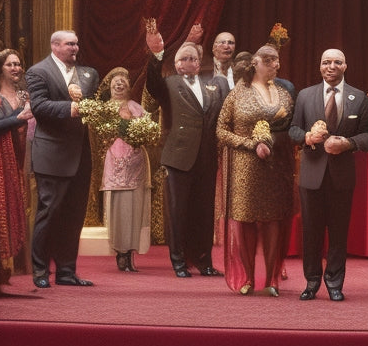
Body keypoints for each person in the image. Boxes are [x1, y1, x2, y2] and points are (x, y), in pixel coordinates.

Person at [289, 48, 368, 301]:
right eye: (326, 62)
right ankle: (311, 282)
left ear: (345, 66)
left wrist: (348, 144)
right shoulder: (305, 96)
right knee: (311, 232)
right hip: (311, 177)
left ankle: (335, 284)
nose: (331, 66)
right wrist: (306, 137)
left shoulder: (359, 98)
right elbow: (293, 129)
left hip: (342, 177)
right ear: (320, 66)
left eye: (337, 62)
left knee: (338, 233)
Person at [144, 19, 229, 278]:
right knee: (178, 213)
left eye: (192, 58)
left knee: (203, 213)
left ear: (199, 61)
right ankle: (179, 262)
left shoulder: (215, 85)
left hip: (206, 158)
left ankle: (204, 261)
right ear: (176, 63)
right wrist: (157, 55)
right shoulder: (168, 84)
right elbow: (151, 83)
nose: (188, 63)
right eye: (183, 59)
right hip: (179, 157)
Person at [216, 45, 296, 296]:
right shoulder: (237, 93)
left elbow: (291, 129)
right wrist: (251, 143)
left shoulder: (284, 94)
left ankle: (272, 278)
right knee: (245, 223)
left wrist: (273, 140)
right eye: (270, 60)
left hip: (277, 167)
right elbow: (221, 130)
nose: (276, 65)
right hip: (244, 168)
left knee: (274, 221)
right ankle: (248, 277)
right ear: (255, 63)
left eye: (277, 61)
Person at [25, 30, 100, 288]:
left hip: (81, 155)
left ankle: (67, 272)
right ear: (55, 46)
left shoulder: (89, 74)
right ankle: (40, 271)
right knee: (49, 213)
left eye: (77, 43)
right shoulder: (38, 72)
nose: (75, 48)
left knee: (74, 216)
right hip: (52, 154)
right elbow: (40, 107)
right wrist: (72, 108)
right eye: (70, 44)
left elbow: (94, 107)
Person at [97, 67, 152, 273]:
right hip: (115, 163)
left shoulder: (137, 108)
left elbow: (147, 131)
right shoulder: (102, 109)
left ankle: (130, 252)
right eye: (116, 82)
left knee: (135, 207)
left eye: (123, 82)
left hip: (136, 164)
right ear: (110, 86)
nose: (119, 85)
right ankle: (121, 253)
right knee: (119, 209)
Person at [0, 49, 31, 293]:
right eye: (10, 64)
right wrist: (21, 116)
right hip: (0, 160)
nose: (16, 68)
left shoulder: (26, 94)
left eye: (18, 63)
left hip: (20, 159)